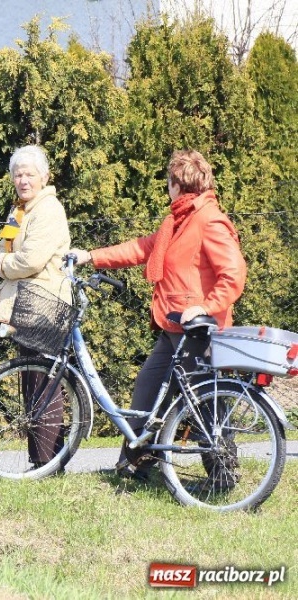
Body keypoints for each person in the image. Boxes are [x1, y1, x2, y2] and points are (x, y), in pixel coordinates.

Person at [72, 149, 246, 481]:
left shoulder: (209, 220)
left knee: (204, 404)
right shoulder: (177, 222)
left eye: (169, 182)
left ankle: (223, 475)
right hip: (174, 327)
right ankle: (134, 462)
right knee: (149, 386)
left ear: (179, 185)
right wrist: (91, 256)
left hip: (200, 330)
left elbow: (234, 274)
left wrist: (206, 307)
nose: (167, 188)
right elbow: (141, 248)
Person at [0, 144, 72, 471]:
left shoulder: (47, 209)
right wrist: (6, 260)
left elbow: (30, 260)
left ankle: (47, 462)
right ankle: (42, 461)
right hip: (26, 301)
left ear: (45, 177)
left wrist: (1, 264)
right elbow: (5, 247)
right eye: (18, 174)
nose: (23, 180)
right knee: (32, 380)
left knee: (44, 383)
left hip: (46, 303)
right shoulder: (20, 210)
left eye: (30, 174)